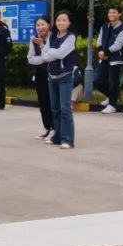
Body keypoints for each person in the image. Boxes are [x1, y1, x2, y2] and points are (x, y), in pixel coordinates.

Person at [30, 9, 77, 150]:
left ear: (69, 22)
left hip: (65, 77)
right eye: (58, 20)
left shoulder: (70, 37)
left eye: (64, 20)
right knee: (55, 108)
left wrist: (49, 52)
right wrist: (49, 52)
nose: (61, 22)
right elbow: (45, 55)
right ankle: (57, 136)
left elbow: (61, 54)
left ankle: (68, 139)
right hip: (52, 76)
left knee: (65, 109)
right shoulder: (53, 36)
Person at [91, 7, 123, 114]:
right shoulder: (104, 26)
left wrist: (105, 53)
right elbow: (99, 40)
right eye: (110, 12)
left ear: (119, 14)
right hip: (103, 59)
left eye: (114, 12)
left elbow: (118, 45)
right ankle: (112, 97)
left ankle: (112, 105)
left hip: (116, 60)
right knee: (97, 81)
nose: (111, 14)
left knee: (113, 83)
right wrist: (100, 51)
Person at [27, 17, 54, 140]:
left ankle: (55, 128)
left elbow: (52, 56)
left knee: (53, 102)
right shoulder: (34, 39)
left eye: (42, 24)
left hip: (53, 73)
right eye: (37, 25)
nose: (40, 27)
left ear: (48, 25)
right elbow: (30, 58)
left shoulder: (54, 38)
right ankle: (47, 127)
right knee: (43, 102)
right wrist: (44, 59)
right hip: (40, 73)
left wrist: (44, 56)